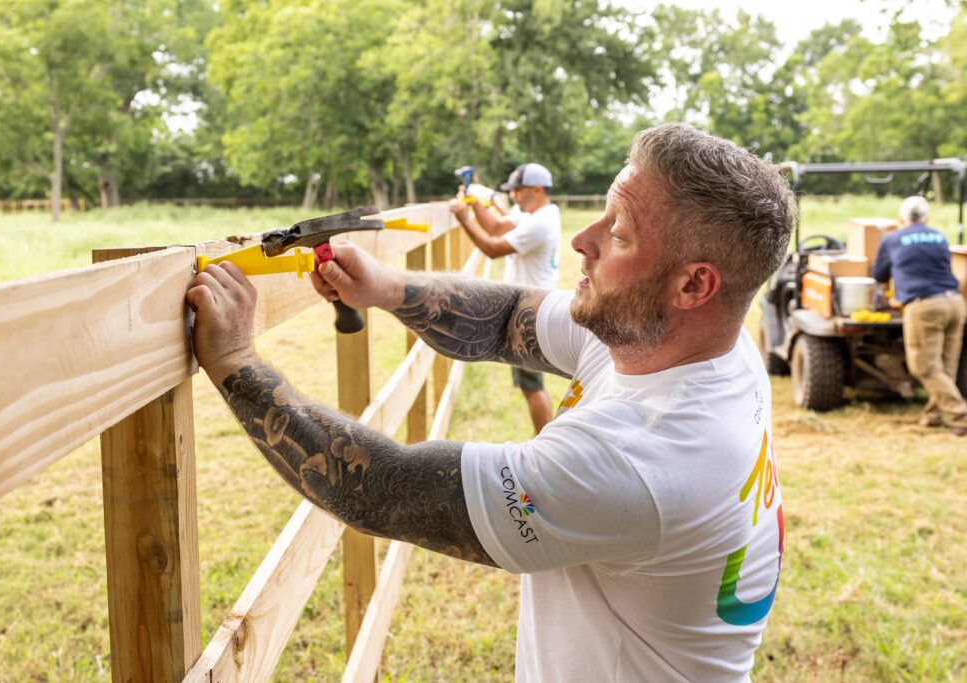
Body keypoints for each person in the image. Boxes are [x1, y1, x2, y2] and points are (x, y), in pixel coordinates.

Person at [186, 123, 793, 682]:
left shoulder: (642, 461)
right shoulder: (701, 344)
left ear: (693, 284)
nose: (582, 241)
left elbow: (376, 488)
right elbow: (509, 317)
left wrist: (235, 360)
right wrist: (387, 288)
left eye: (617, 232)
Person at [450, 163, 562, 433]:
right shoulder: (534, 212)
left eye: (518, 191)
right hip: (529, 306)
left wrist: (465, 218)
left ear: (537, 189)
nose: (513, 196)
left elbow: (493, 248)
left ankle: (546, 446)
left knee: (532, 386)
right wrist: (475, 202)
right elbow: (496, 226)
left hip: (532, 311)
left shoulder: (539, 223)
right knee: (529, 384)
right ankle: (546, 444)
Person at [873, 196, 967, 436]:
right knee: (945, 366)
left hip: (924, 306)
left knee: (923, 367)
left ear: (901, 218)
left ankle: (961, 415)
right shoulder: (939, 236)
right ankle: (934, 416)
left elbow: (879, 274)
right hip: (955, 303)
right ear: (926, 218)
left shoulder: (892, 238)